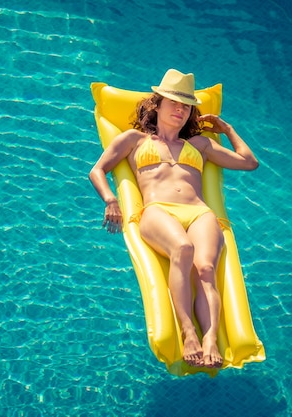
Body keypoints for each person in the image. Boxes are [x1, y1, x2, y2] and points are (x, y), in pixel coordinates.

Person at [89, 69, 259, 368]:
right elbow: (97, 170)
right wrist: (111, 200)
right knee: (183, 249)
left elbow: (249, 163)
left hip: (199, 212)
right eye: (174, 103)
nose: (180, 110)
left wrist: (227, 129)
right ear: (158, 105)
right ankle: (188, 330)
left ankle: (210, 339)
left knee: (205, 268)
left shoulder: (200, 145)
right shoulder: (135, 140)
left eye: (186, 106)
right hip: (158, 211)